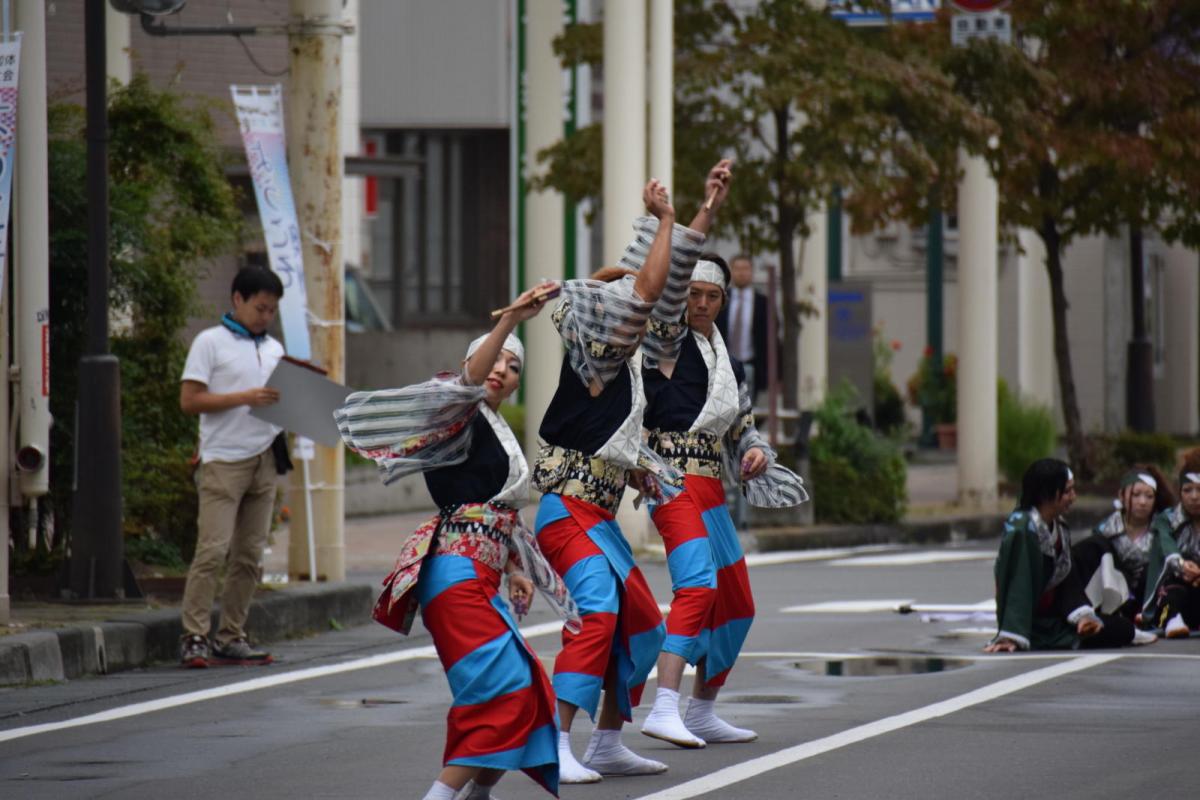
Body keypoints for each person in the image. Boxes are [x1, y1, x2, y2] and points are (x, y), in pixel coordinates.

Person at [336, 284, 579, 800]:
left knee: (529, 695)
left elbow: (500, 512)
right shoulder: (452, 410)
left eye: (514, 367)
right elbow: (468, 382)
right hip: (455, 573)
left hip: (481, 578)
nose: (501, 370)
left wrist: (516, 568)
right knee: (503, 697)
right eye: (493, 359)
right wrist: (510, 319)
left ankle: (477, 795)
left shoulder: (492, 426)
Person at [532, 171, 722, 783]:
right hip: (567, 514)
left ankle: (607, 741)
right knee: (598, 612)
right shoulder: (598, 352)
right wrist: (665, 220)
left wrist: (699, 211)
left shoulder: (625, 369)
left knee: (641, 624)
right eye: (623, 314)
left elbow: (647, 293)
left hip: (599, 518)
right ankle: (556, 741)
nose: (637, 322)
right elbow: (645, 292)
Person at [639, 248, 808, 750]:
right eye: (693, 294)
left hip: (712, 486)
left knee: (737, 602)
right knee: (697, 586)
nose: (703, 303)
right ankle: (663, 704)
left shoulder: (726, 361)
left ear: (725, 300)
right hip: (671, 482)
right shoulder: (662, 344)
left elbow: (743, 428)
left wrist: (754, 452)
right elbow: (665, 304)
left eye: (713, 296)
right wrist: (703, 212)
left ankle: (703, 709)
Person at [178, 266, 288, 668]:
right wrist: (246, 397)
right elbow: (190, 401)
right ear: (237, 299)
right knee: (212, 550)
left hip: (265, 458)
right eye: (260, 308)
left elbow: (274, 400)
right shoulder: (210, 342)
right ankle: (193, 635)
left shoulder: (274, 349)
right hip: (223, 459)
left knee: (249, 555)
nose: (265, 317)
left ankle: (231, 634)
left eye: (272, 311)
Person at [986, 458, 1138, 653]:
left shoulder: (1057, 525)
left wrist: (1082, 616)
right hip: (1033, 625)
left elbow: (1066, 580)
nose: (1073, 497)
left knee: (1121, 627)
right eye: (1067, 491)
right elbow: (1019, 584)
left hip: (1054, 615)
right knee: (1119, 631)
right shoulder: (1023, 529)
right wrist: (1011, 635)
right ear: (1046, 494)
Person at [1072, 466, 1172, 638]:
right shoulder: (1106, 530)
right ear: (1122, 496)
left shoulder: (1163, 529)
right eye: (1136, 495)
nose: (1143, 502)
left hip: (1150, 595)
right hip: (1116, 596)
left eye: (1149, 496)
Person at [1143, 449, 1200, 639]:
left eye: (1199, 489)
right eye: (1187, 490)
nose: (1194, 496)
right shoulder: (1166, 520)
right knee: (1174, 579)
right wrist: (1183, 566)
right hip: (1173, 595)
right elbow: (1168, 549)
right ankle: (1172, 619)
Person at [715, 254, 773, 404]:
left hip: (752, 365)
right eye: (737, 269)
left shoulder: (763, 303)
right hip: (723, 365)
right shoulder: (721, 300)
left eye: (745, 268)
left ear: (752, 272)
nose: (742, 273)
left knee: (749, 408)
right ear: (731, 272)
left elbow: (771, 338)